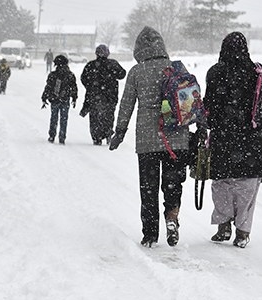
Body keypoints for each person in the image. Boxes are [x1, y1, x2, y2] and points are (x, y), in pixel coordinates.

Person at [109, 26, 189, 248]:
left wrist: (119, 132)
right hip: (177, 138)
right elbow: (189, 102)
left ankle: (150, 234)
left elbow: (126, 105)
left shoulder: (137, 71)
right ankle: (172, 218)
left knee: (149, 188)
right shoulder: (175, 69)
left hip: (147, 141)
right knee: (173, 184)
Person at [203, 32, 262, 248]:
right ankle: (242, 231)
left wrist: (210, 123)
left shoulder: (215, 72)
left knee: (222, 182)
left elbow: (208, 106)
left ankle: (223, 226)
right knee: (248, 185)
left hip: (224, 136)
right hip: (251, 138)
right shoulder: (256, 72)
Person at [80, 44, 127, 145]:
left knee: (95, 117)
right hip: (110, 96)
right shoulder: (112, 64)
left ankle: (96, 137)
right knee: (108, 116)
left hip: (94, 97)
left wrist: (91, 87)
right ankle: (108, 133)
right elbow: (122, 74)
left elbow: (83, 78)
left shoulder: (91, 65)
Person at [41, 54, 78, 144]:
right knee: (64, 119)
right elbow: (74, 87)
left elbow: (48, 87)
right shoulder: (70, 75)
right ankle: (62, 137)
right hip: (65, 100)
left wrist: (44, 97)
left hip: (55, 99)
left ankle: (52, 135)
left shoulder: (53, 75)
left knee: (54, 118)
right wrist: (74, 98)